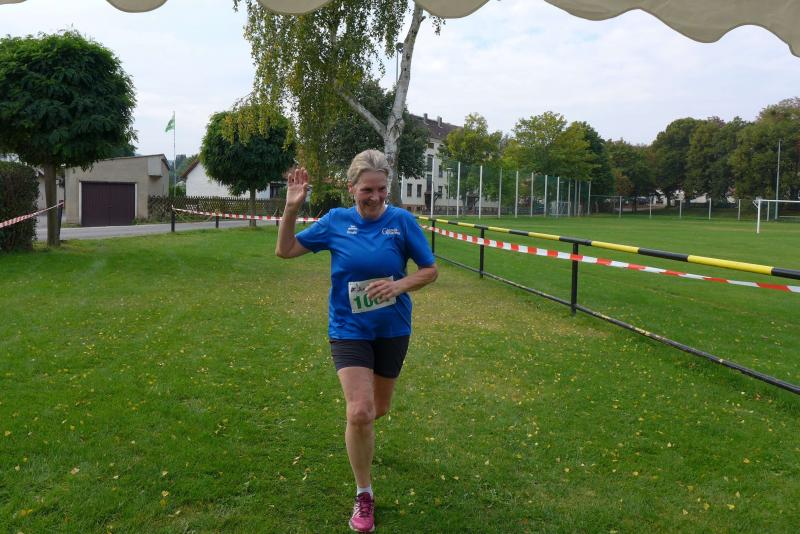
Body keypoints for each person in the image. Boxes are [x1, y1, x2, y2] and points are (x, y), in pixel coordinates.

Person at [276, 149, 437, 532]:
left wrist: (398, 286)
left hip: (392, 329)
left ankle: (361, 436)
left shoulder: (402, 222)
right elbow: (285, 250)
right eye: (367, 190)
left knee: (378, 409)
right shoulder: (336, 221)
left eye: (382, 189)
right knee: (360, 411)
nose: (376, 197)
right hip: (348, 329)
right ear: (351, 188)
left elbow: (429, 270)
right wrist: (291, 209)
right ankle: (364, 494)